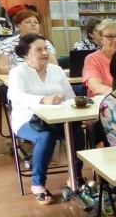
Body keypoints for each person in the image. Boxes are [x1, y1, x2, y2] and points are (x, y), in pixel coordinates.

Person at [7, 34, 84, 204]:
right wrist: (43, 100)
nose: (44, 53)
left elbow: (70, 95)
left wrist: (67, 102)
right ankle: (37, 183)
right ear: (26, 54)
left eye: (46, 49)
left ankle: (75, 175)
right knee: (45, 137)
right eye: (38, 49)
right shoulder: (18, 72)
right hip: (27, 120)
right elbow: (16, 96)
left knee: (77, 132)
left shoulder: (56, 70)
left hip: (58, 118)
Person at [0, 9, 58, 74]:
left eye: (36, 22)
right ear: (18, 26)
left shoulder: (45, 43)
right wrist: (27, 71)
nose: (33, 24)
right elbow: (0, 68)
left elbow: (54, 66)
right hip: (17, 80)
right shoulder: (8, 43)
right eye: (28, 22)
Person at [83, 19, 116, 97]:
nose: (115, 40)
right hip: (100, 104)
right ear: (101, 39)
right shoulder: (92, 59)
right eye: (109, 36)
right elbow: (96, 87)